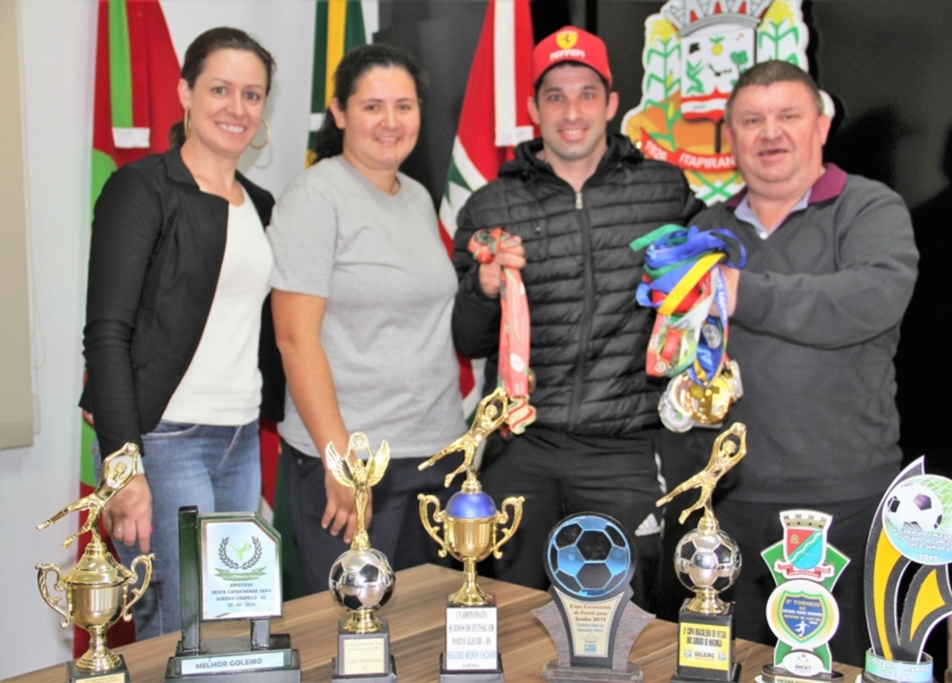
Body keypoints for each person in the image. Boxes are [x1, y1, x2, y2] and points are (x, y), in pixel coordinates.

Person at [451, 27, 704, 610]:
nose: (572, 112)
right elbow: (467, 339)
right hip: (520, 445)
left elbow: (699, 305)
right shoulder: (491, 205)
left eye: (587, 94)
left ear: (612, 104)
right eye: (556, 96)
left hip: (623, 449)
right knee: (502, 611)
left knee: (619, 620)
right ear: (534, 108)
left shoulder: (664, 190)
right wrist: (485, 288)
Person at [679, 60, 918, 664]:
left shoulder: (868, 208)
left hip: (843, 503)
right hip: (729, 503)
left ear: (821, 123)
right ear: (730, 136)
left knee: (837, 668)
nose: (770, 133)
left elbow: (871, 300)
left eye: (788, 116)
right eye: (752, 120)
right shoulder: (706, 230)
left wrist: (741, 290)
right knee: (729, 665)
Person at [79, 27, 282, 639]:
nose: (236, 108)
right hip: (163, 441)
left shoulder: (263, 203)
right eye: (220, 89)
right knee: (179, 626)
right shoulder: (140, 189)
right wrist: (123, 466)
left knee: (230, 624)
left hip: (239, 438)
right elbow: (107, 332)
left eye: (252, 95)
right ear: (185, 93)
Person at [268, 44, 466, 596]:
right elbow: (294, 336)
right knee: (351, 642)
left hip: (434, 457)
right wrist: (340, 462)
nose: (390, 122)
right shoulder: (315, 196)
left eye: (404, 106)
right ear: (339, 113)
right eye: (372, 106)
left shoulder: (420, 198)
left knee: (424, 637)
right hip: (355, 468)